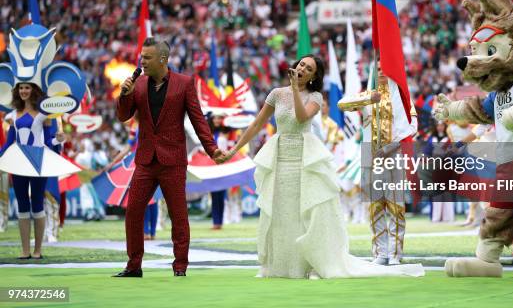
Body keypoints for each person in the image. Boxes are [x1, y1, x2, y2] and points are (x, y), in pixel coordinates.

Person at [218, 55, 424, 279]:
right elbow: (257, 124)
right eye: (301, 65)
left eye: (309, 68)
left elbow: (300, 117)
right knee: (281, 211)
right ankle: (282, 265)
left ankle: (312, 263)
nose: (302, 69)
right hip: (279, 156)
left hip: (306, 158)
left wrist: (296, 91)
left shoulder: (315, 97)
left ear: (314, 76)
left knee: (307, 211)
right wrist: (233, 150)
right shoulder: (276, 94)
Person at [113, 38, 226, 278]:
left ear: (163, 59)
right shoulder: (138, 84)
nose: (141, 61)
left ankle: (180, 266)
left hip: (173, 160)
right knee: (133, 211)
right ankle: (134, 266)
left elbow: (198, 120)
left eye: (147, 57)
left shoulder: (184, 83)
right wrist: (125, 95)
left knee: (178, 214)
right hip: (145, 159)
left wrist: (212, 149)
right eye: (141, 57)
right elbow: (123, 116)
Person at [340, 65, 419, 265]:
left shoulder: (403, 99)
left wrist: (392, 147)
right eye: (378, 69)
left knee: (395, 206)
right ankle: (380, 253)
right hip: (370, 155)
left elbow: (413, 127)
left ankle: (395, 253)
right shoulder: (368, 95)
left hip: (394, 154)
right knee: (374, 207)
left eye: (386, 68)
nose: (382, 72)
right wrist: (368, 99)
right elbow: (342, 104)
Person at [0, 83, 65, 259]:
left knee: (37, 204)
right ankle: (25, 250)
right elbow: (8, 143)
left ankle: (37, 250)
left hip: (38, 162)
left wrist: (59, 140)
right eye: (21, 88)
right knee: (22, 205)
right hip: (18, 164)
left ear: (34, 90)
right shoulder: (12, 115)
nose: (23, 91)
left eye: (27, 88)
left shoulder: (45, 115)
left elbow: (49, 141)